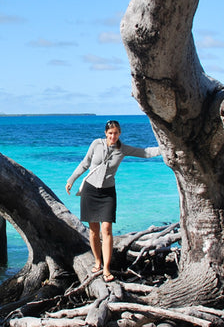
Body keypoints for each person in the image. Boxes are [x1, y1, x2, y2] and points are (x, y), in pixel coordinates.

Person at [65, 119, 161, 282]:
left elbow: (145, 152)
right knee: (94, 230)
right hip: (90, 190)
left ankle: (107, 268)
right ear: (105, 133)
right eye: (110, 133)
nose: (113, 136)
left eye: (116, 133)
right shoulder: (96, 144)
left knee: (107, 229)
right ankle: (97, 262)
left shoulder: (123, 149)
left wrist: (165, 148)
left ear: (119, 133)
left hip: (108, 193)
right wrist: (71, 179)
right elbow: (85, 163)